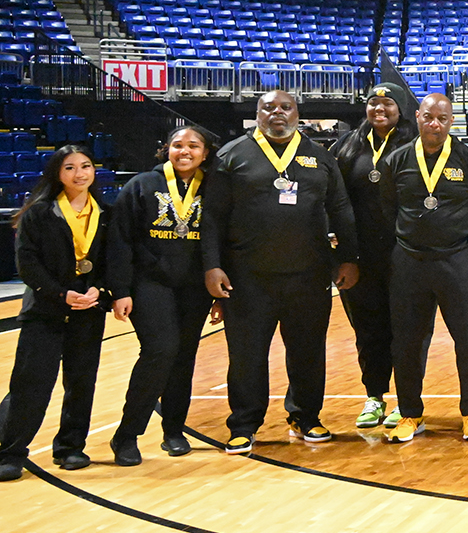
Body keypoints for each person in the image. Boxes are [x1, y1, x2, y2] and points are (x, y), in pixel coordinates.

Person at [204, 90, 359, 455]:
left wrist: (349, 258)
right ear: (257, 114)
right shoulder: (232, 155)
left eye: (285, 107)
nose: (277, 113)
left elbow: (341, 209)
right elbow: (212, 217)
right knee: (247, 354)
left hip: (308, 275)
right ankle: (244, 423)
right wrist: (212, 265)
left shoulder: (319, 156)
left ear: (297, 113)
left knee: (307, 351)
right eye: (268, 108)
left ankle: (306, 416)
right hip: (247, 277)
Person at [379, 93, 468, 443]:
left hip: (456, 260)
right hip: (409, 261)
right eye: (429, 117)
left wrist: (452, 234)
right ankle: (410, 414)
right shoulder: (397, 160)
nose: (435, 124)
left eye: (442, 119)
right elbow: (388, 207)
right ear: (417, 116)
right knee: (406, 343)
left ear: (451, 121)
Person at [106, 125, 217, 465]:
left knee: (184, 356)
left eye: (193, 146)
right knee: (160, 350)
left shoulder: (214, 188)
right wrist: (120, 290)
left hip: (195, 287)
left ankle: (173, 429)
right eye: (177, 145)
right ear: (166, 149)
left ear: (205, 152)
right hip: (150, 283)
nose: (185, 151)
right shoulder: (141, 185)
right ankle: (127, 434)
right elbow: (120, 240)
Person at [0, 146, 111, 480]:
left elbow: (112, 261)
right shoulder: (38, 213)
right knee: (31, 384)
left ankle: (71, 447)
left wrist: (98, 289)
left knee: (81, 383)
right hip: (45, 312)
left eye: (86, 166)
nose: (80, 174)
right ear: (56, 173)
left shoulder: (107, 213)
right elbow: (28, 265)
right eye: (70, 168)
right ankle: (11, 451)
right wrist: (62, 295)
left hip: (88, 311)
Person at [331, 83, 419, 430]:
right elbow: (333, 200)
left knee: (406, 329)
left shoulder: (415, 144)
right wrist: (341, 254)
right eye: (372, 103)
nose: (379, 108)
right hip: (360, 257)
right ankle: (374, 396)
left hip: (405, 255)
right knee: (368, 330)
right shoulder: (346, 146)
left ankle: (406, 398)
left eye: (387, 103)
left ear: (401, 108)